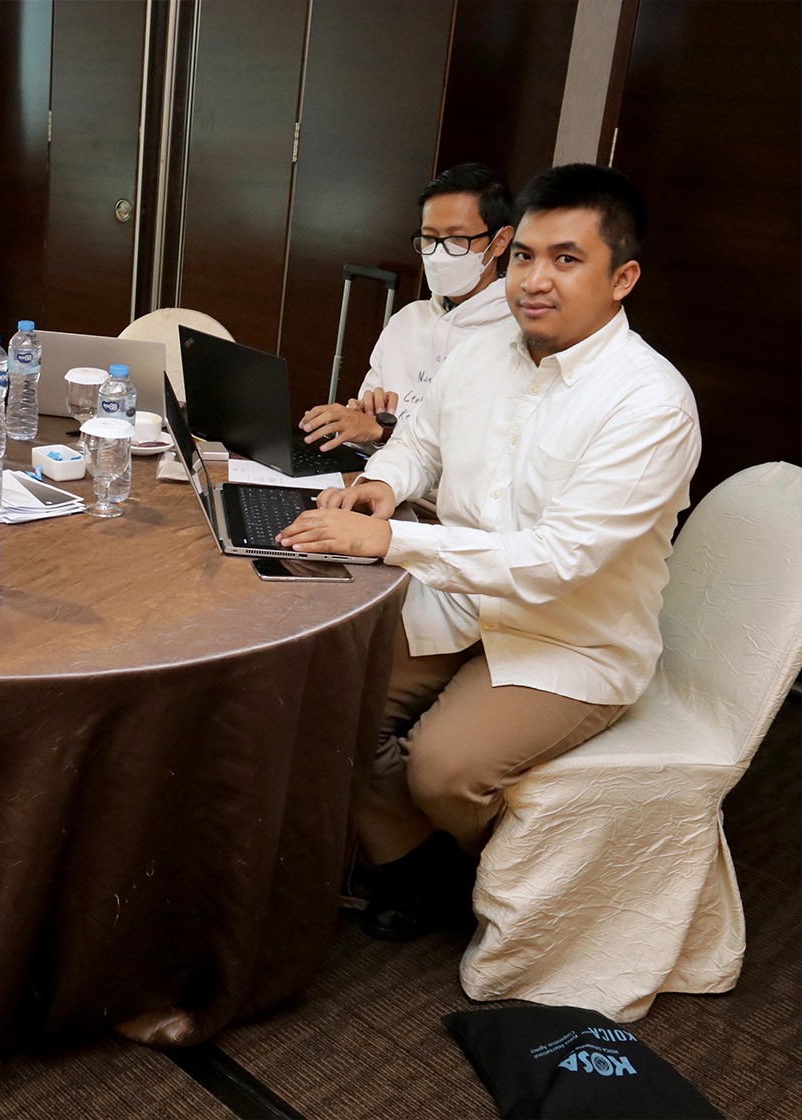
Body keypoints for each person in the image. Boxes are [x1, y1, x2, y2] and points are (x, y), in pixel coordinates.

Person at [278, 164, 700, 940]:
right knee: (330, 692)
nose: (534, 281)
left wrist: (393, 536)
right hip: (466, 598)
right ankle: (418, 867)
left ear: (623, 277)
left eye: (566, 260)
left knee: (445, 769)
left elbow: (555, 560)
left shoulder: (650, 404)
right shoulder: (482, 353)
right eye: (524, 258)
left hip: (573, 634)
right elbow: (421, 444)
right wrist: (381, 483)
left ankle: (480, 870)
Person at [300, 163, 516, 450]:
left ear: (499, 241)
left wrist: (384, 431)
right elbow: (367, 431)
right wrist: (355, 421)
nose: (439, 253)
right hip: (378, 480)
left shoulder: (514, 334)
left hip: (438, 495)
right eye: (429, 238)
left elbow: (482, 457)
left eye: (456, 239)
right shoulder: (407, 321)